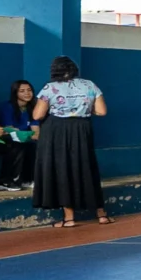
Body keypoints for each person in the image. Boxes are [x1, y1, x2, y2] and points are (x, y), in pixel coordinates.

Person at [32, 56, 108, 226]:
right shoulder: (89, 85)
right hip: (82, 129)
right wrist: (82, 112)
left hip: (56, 131)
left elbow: (37, 115)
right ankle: (101, 214)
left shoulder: (50, 87)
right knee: (87, 168)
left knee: (62, 170)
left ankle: (69, 218)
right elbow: (102, 111)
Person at [0, 78, 38, 190]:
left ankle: (28, 180)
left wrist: (30, 135)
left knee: (37, 144)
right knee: (18, 143)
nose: (27, 93)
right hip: (3, 137)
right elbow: (10, 129)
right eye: (22, 91)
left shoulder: (32, 108)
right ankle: (7, 180)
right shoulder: (6, 107)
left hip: (24, 137)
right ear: (15, 93)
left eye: (29, 90)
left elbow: (36, 132)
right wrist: (27, 134)